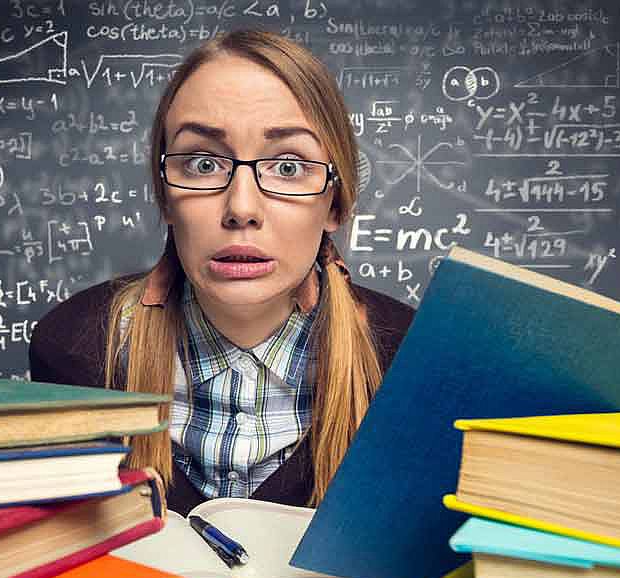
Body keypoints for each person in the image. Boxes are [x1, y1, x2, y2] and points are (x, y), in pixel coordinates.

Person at [29, 29, 414, 515]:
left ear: (334, 203)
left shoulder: (410, 364)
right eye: (203, 163)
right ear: (165, 195)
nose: (242, 208)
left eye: (289, 167)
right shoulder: (72, 349)